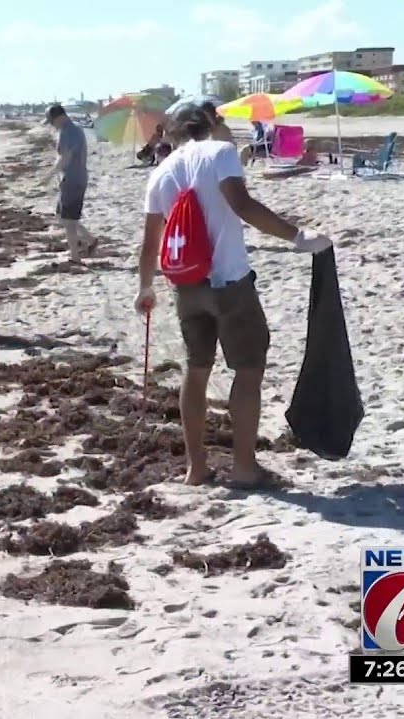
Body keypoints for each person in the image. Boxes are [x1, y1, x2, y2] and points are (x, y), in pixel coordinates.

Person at [133, 101, 331, 489]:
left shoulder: (160, 174)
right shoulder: (221, 153)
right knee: (247, 369)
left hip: (186, 287)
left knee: (197, 368)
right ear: (210, 124)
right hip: (230, 284)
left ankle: (197, 468)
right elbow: (241, 205)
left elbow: (150, 242)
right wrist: (296, 235)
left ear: (172, 133)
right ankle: (243, 468)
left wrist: (145, 287)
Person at [41, 104, 96, 262]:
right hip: (73, 179)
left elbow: (65, 158)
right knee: (62, 216)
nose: (52, 125)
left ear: (59, 118)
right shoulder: (73, 130)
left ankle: (75, 257)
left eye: (52, 122)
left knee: (69, 221)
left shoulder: (68, 132)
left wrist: (49, 175)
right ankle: (90, 240)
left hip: (73, 180)